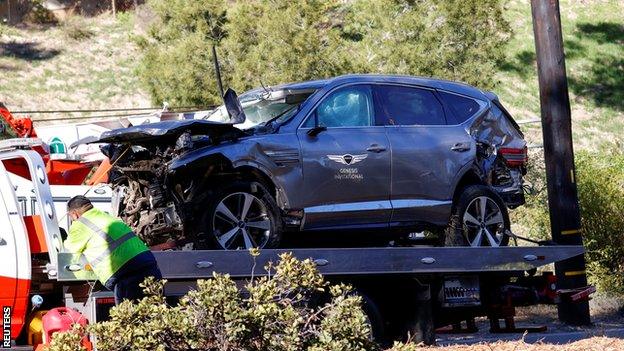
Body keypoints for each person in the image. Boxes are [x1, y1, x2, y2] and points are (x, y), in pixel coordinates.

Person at [63, 195, 162, 304]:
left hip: (125, 271)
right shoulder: (106, 216)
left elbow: (69, 252)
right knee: (156, 308)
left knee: (132, 316)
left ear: (74, 214)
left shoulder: (80, 224)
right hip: (147, 262)